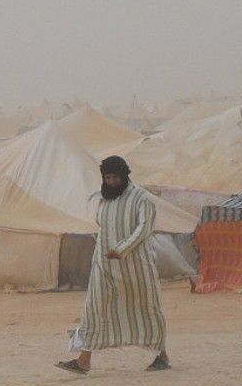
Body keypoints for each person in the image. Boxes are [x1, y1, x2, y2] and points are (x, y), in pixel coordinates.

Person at [57, 155, 170, 374]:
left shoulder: (141, 198)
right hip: (104, 266)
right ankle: (83, 360)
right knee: (93, 308)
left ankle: (161, 356)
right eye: (107, 178)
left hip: (135, 268)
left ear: (124, 175)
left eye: (114, 177)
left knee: (146, 309)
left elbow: (144, 229)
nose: (111, 182)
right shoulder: (103, 198)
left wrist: (121, 249)